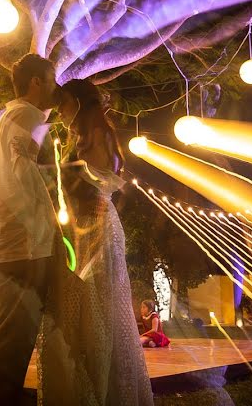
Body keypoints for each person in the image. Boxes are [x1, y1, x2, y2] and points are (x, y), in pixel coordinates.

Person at [38, 79, 154, 405]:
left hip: (98, 226)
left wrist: (75, 179)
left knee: (99, 305)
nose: (60, 112)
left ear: (77, 102)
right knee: (80, 306)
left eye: (63, 104)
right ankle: (82, 385)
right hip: (79, 228)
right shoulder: (76, 139)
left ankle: (103, 389)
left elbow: (105, 181)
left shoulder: (101, 134)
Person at [0, 54, 60, 406]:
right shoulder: (28, 116)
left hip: (9, 242)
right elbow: (23, 178)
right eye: (51, 79)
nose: (55, 88)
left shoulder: (9, 117)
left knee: (11, 339)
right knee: (13, 341)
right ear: (35, 83)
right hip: (22, 246)